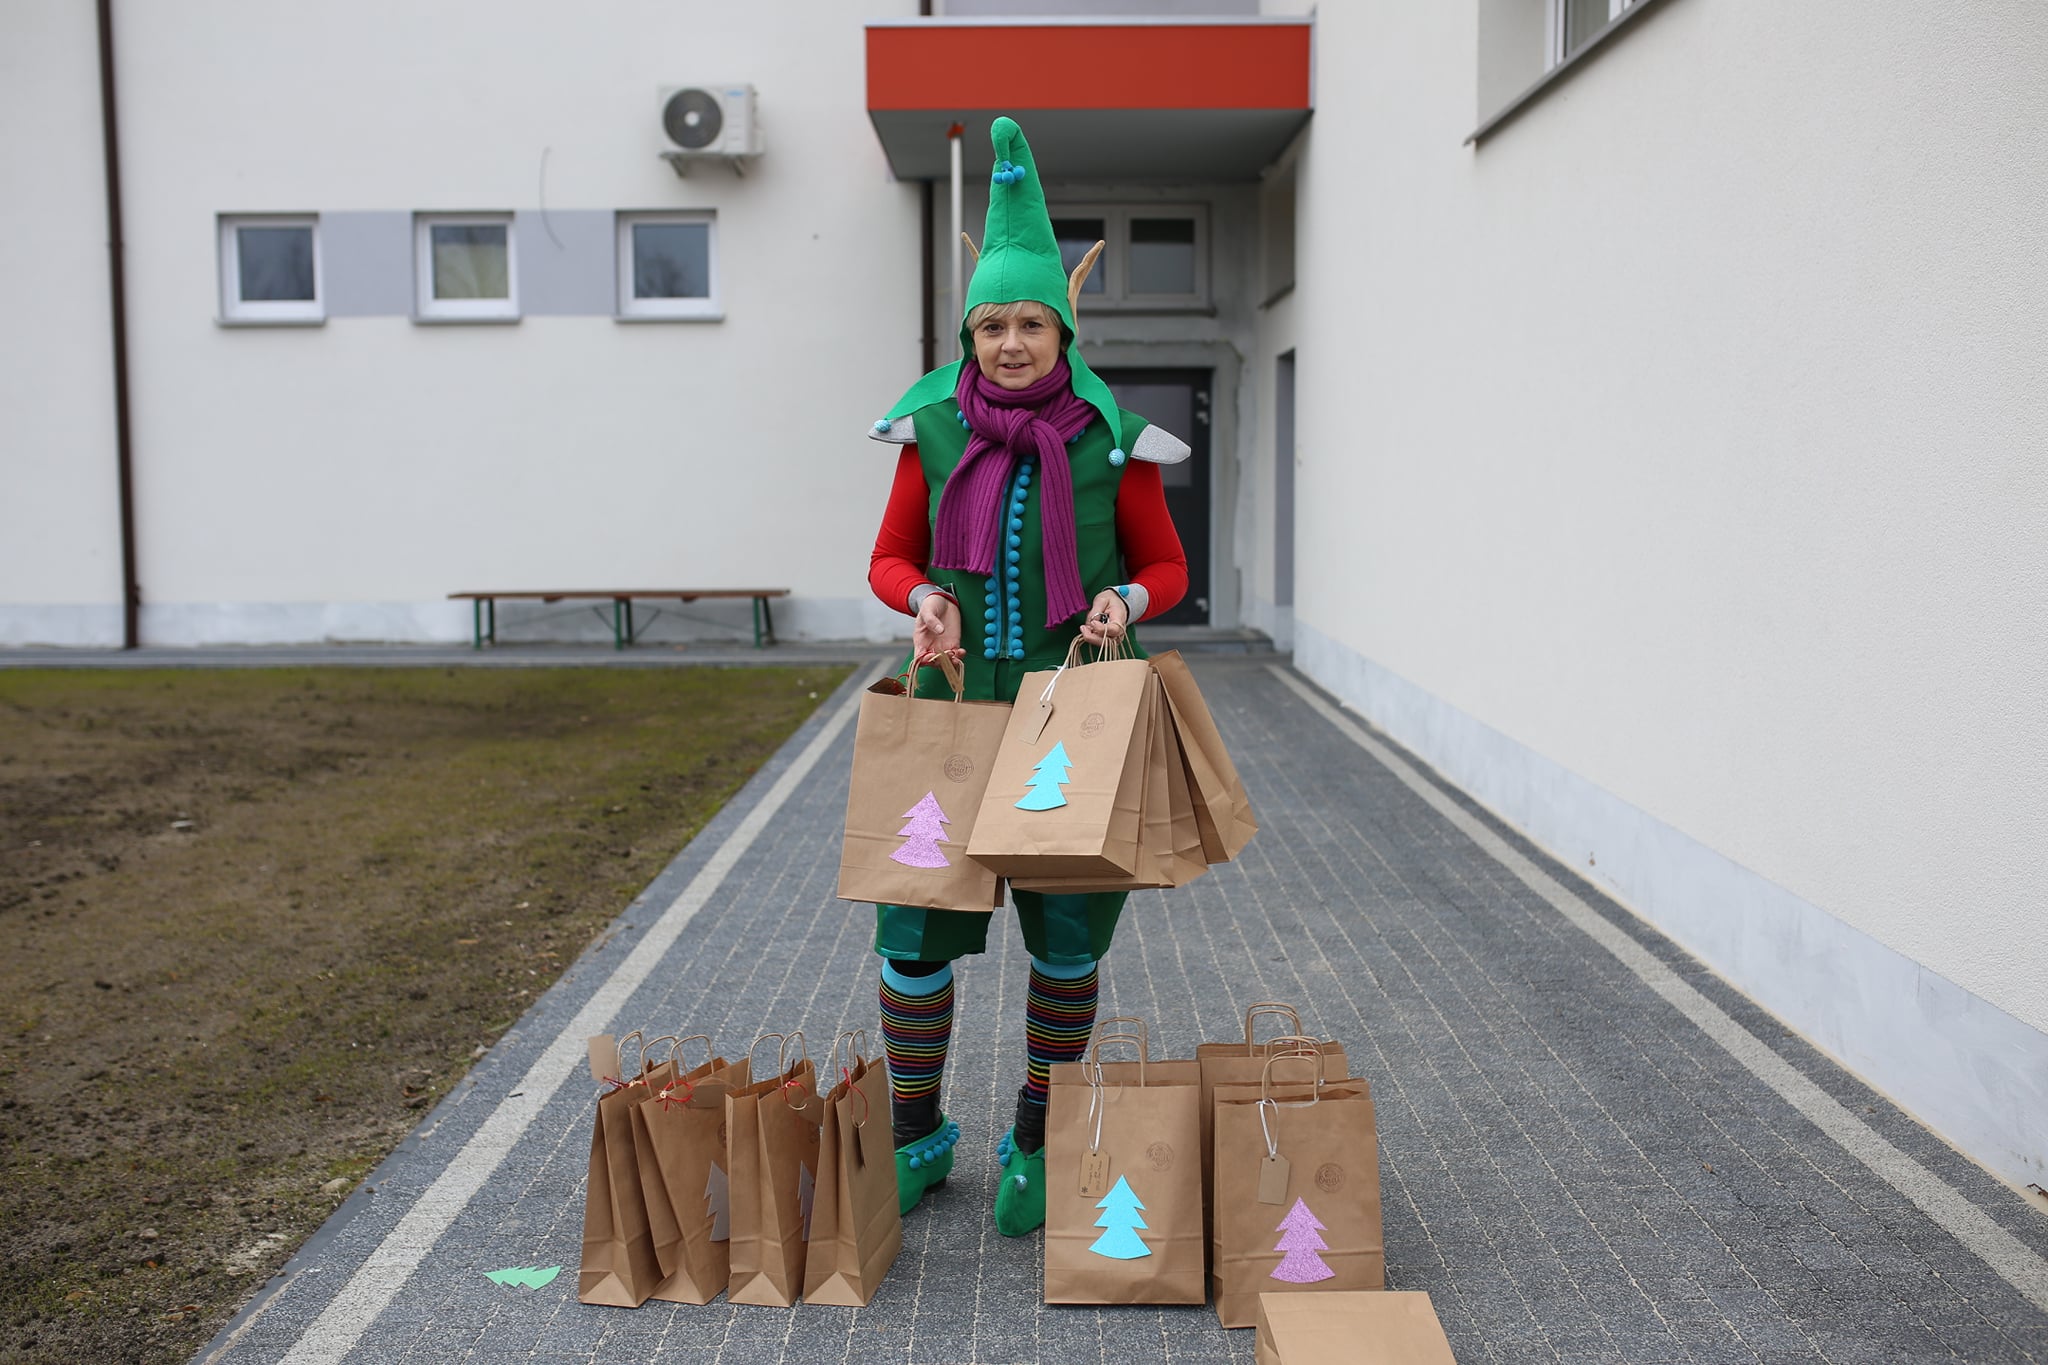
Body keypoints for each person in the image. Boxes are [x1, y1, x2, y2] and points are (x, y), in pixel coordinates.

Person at [864, 116, 1191, 1237]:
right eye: (992, 324)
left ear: (1064, 326)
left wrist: (1126, 600)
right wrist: (922, 595)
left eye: (1030, 323)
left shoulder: (1111, 436)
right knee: (911, 937)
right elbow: (887, 556)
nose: (1011, 343)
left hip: (1075, 717)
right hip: (951, 708)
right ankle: (916, 1135)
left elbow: (1165, 564)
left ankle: (1037, 1143)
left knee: (1065, 946)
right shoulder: (930, 429)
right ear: (971, 330)